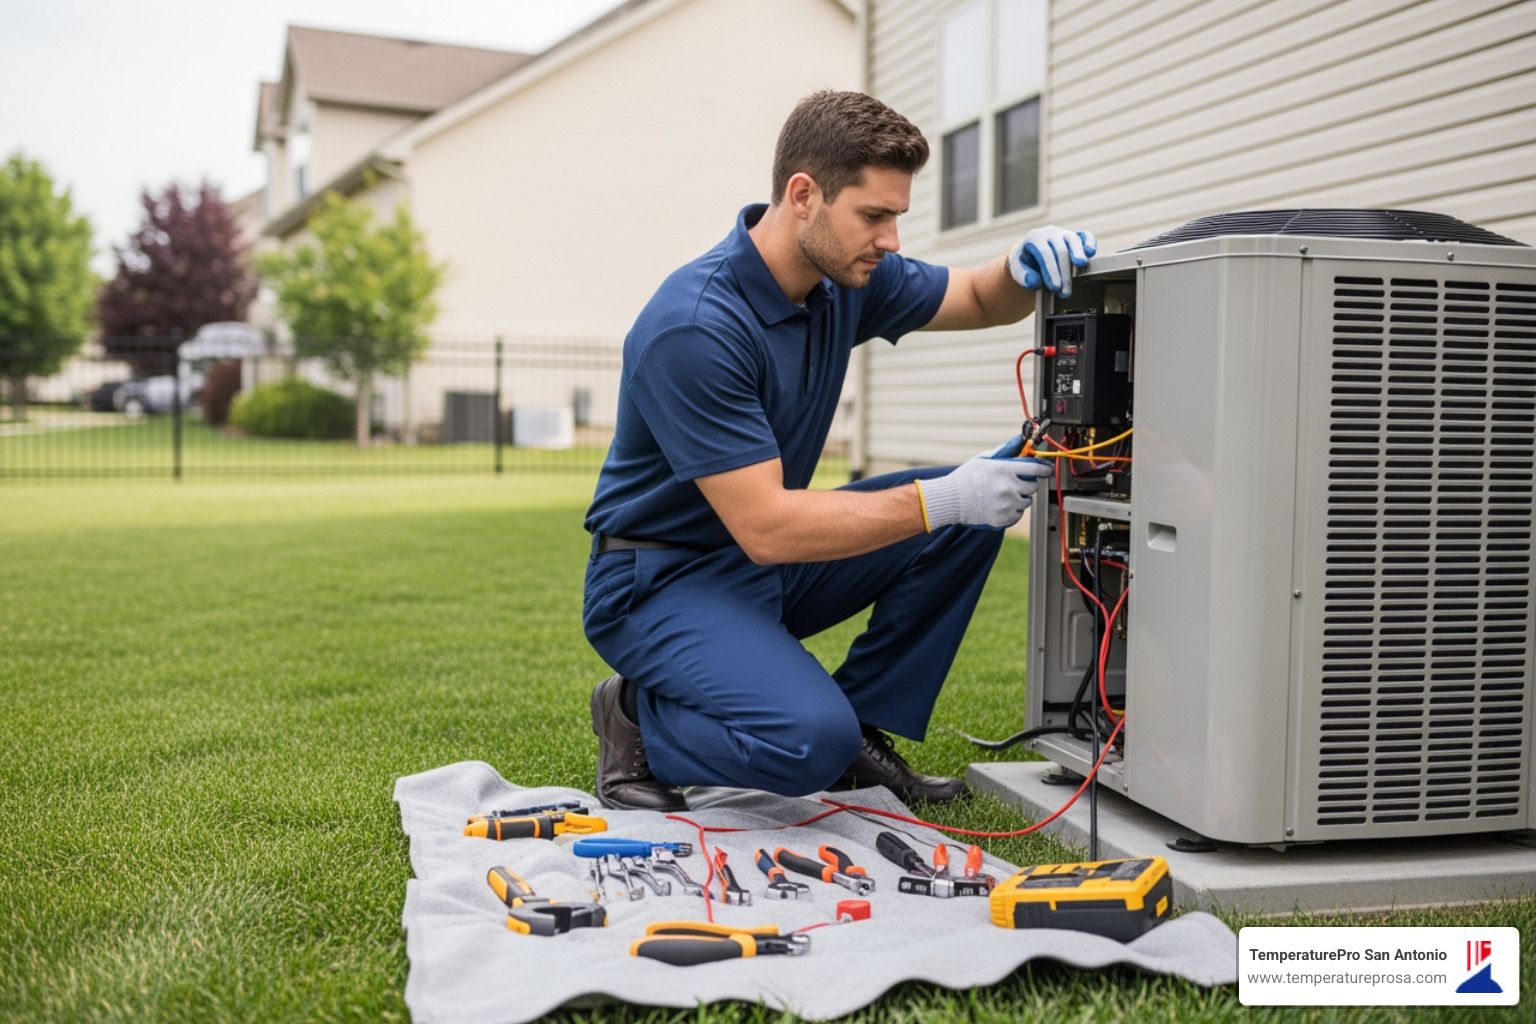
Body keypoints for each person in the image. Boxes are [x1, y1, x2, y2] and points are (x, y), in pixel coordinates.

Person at [583, 90, 1095, 811]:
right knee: (804, 746)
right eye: (874, 216)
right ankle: (639, 720)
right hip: (661, 578)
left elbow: (980, 298)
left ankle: (862, 729)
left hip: (761, 562)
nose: (890, 240)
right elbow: (767, 528)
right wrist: (946, 496)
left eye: (897, 217)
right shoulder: (695, 327)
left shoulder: (841, 278)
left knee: (961, 516)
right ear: (803, 195)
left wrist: (1019, 263)